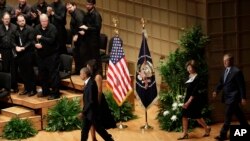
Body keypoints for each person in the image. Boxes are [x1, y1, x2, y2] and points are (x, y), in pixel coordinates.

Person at [212, 53, 249, 141]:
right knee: (239, 114)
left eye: (226, 60)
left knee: (227, 115)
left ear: (231, 61)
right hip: (227, 97)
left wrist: (243, 97)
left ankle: (223, 135)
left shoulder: (237, 71)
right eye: (223, 60)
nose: (224, 62)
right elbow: (221, 83)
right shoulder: (224, 71)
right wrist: (216, 91)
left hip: (233, 97)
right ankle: (246, 128)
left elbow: (241, 86)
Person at [178, 60, 211, 140]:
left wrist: (188, 102)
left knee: (197, 117)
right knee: (184, 115)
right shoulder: (188, 76)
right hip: (187, 98)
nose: (189, 69)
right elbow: (187, 89)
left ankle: (206, 128)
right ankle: (185, 133)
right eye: (188, 67)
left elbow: (194, 91)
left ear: (194, 68)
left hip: (194, 99)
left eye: (190, 67)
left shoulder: (198, 77)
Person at [80, 67, 114, 141]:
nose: (80, 75)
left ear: (85, 74)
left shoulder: (91, 84)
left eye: (81, 74)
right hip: (89, 113)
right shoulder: (88, 83)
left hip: (92, 113)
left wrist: (83, 112)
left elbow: (91, 101)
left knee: (100, 130)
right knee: (84, 131)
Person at [34, 14, 60, 100]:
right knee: (42, 74)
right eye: (42, 21)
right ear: (40, 21)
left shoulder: (53, 28)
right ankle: (45, 91)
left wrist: (41, 37)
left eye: (45, 21)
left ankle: (55, 93)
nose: (44, 23)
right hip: (41, 55)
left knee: (53, 75)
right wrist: (36, 44)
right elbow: (33, 39)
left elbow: (52, 40)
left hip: (52, 55)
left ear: (48, 20)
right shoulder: (37, 28)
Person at [12, 14, 37, 96]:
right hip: (20, 54)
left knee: (29, 72)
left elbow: (31, 41)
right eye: (20, 21)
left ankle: (33, 90)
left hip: (28, 53)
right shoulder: (16, 30)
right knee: (22, 72)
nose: (22, 22)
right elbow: (12, 40)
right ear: (17, 22)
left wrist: (23, 48)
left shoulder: (30, 29)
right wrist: (16, 46)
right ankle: (26, 88)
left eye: (23, 20)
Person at [79, 0, 102, 71]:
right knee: (87, 57)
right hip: (87, 39)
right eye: (87, 4)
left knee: (95, 57)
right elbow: (84, 23)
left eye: (89, 4)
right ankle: (89, 72)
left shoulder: (97, 15)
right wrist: (83, 30)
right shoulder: (87, 14)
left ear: (93, 5)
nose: (87, 6)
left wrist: (87, 28)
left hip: (94, 40)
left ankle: (98, 73)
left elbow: (97, 28)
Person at [0, 12, 18, 92]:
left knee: (14, 68)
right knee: (5, 68)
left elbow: (17, 39)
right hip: (3, 51)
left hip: (13, 50)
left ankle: (14, 86)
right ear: (2, 19)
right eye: (5, 19)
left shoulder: (14, 27)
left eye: (8, 19)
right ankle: (5, 86)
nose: (7, 20)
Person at [66, 1, 85, 74]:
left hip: (82, 39)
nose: (69, 9)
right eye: (67, 8)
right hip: (79, 39)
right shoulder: (74, 14)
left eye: (70, 7)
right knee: (77, 54)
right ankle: (78, 70)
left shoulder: (78, 14)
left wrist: (76, 34)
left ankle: (81, 71)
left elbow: (81, 25)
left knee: (80, 55)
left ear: (75, 6)